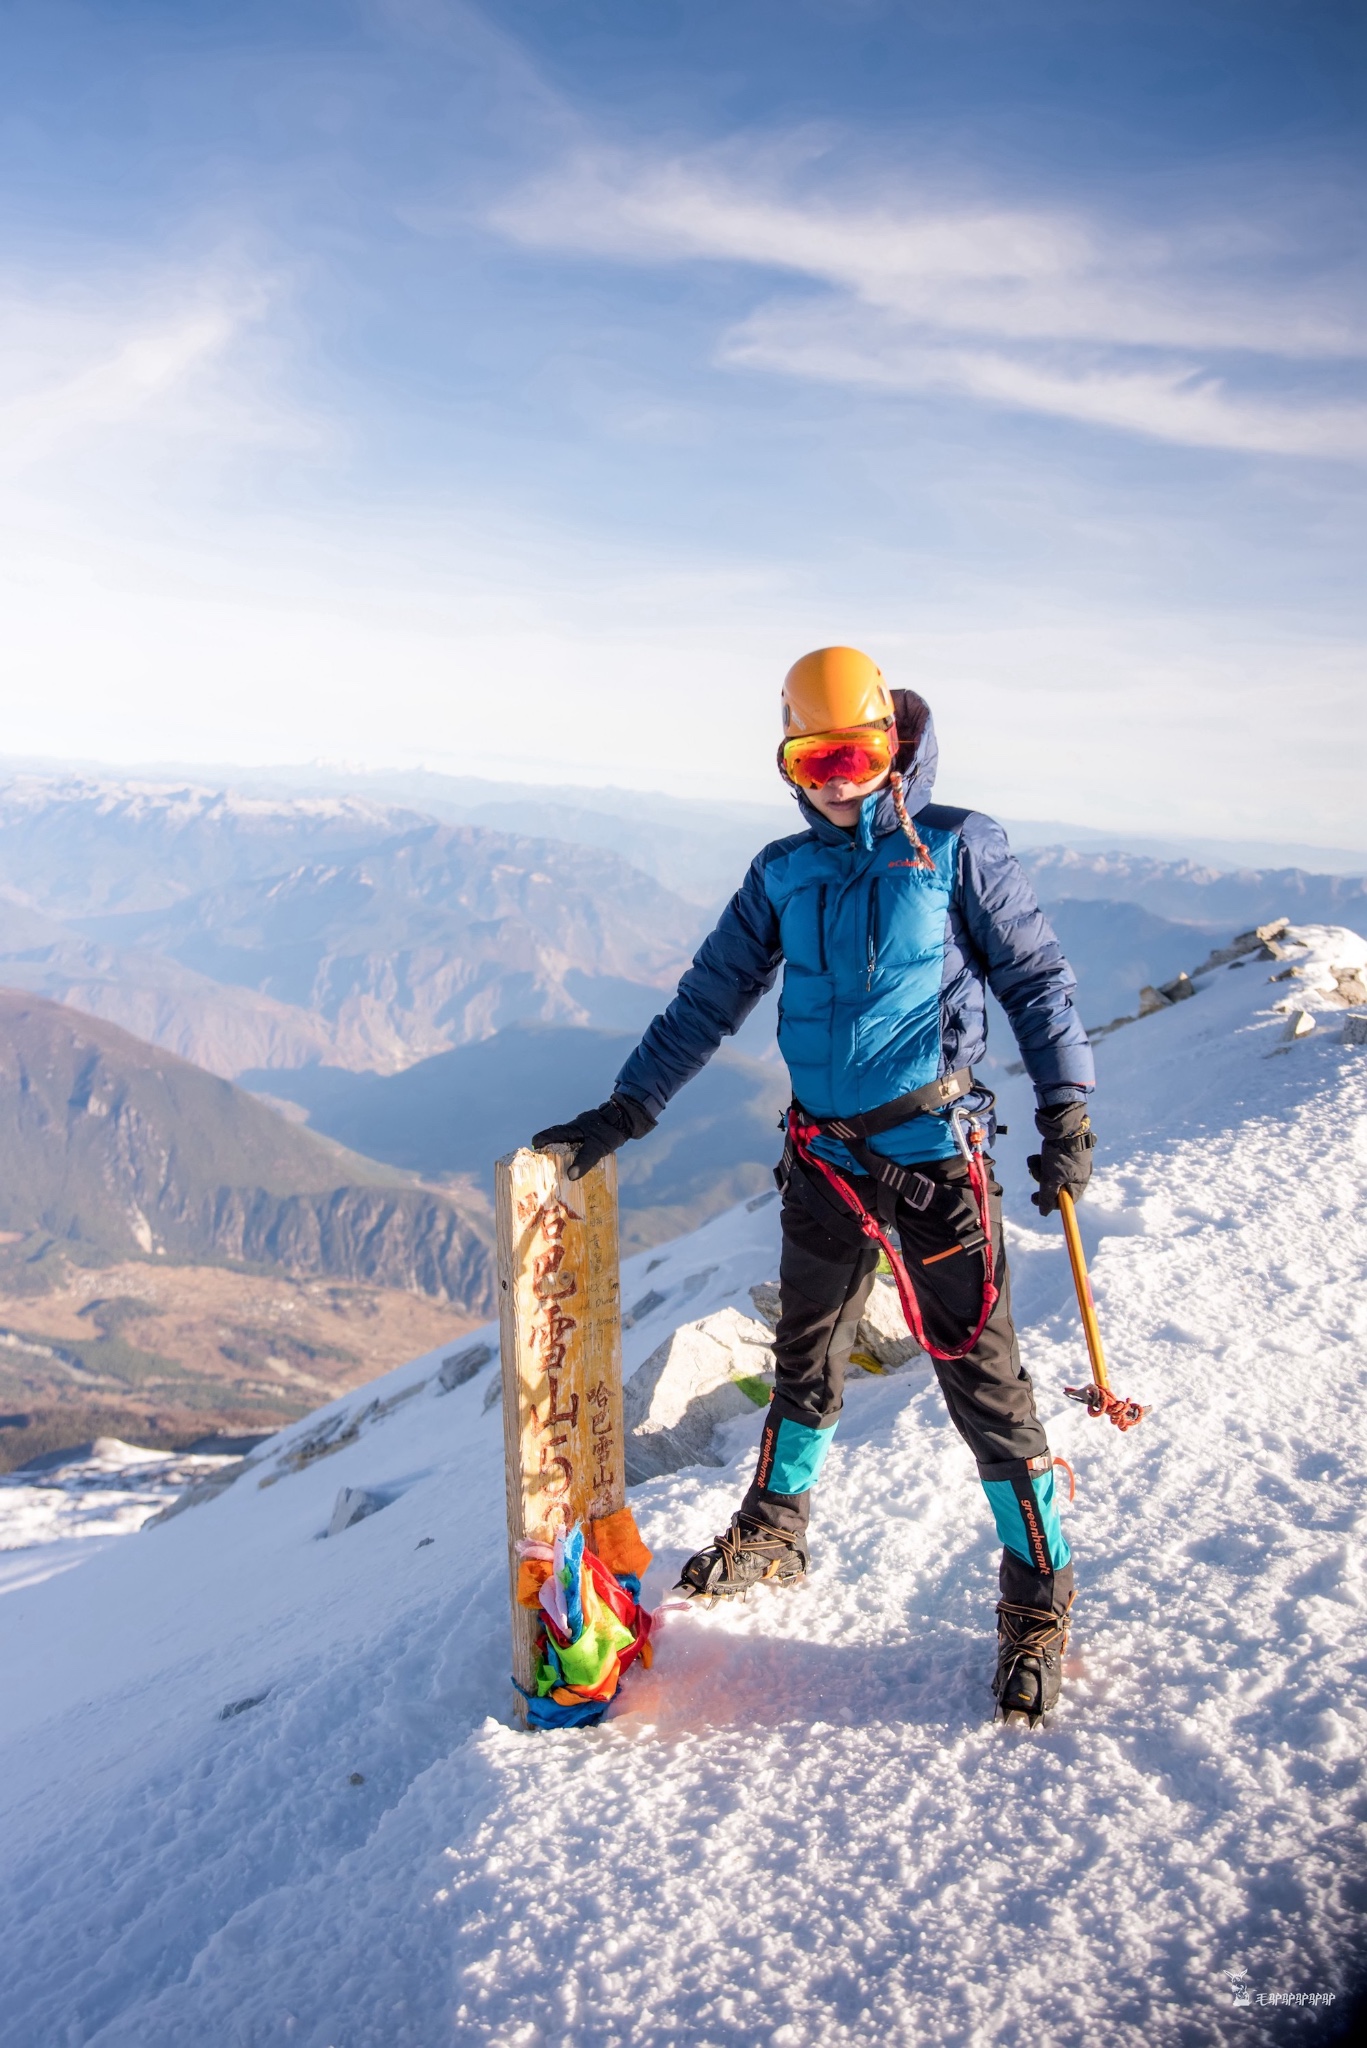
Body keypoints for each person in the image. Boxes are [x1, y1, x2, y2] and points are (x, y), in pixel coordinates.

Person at [532, 647, 1095, 1724]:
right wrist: (628, 1106)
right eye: (813, 755)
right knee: (804, 1352)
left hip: (933, 1158)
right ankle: (776, 1526)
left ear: (894, 744)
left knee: (982, 1384)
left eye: (859, 750)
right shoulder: (780, 871)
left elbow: (1033, 977)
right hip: (825, 1158)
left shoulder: (955, 848)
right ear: (786, 759)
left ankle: (1036, 1598)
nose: (837, 775)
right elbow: (706, 997)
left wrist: (1065, 1106)